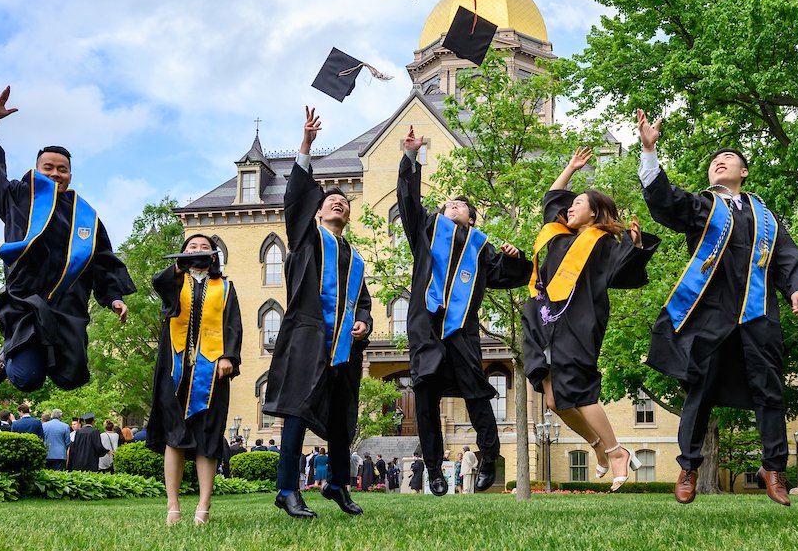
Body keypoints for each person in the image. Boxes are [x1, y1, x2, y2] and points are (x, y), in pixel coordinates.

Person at [636, 110, 798, 507]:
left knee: (770, 389)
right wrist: (650, 151)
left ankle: (774, 468)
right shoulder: (703, 205)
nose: (719, 160)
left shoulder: (765, 217)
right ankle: (688, 467)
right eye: (714, 160)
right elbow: (667, 204)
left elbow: (787, 256)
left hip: (758, 311)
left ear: (744, 172)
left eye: (728, 158)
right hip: (711, 311)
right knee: (700, 389)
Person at [0, 86, 136, 393]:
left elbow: (102, 261)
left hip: (68, 305)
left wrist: (114, 298)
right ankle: (8, 357)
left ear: (70, 175)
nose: (56, 173)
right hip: (26, 302)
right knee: (28, 379)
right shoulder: (19, 197)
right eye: (49, 168)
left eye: (63, 169)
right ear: (38, 170)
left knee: (71, 379)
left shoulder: (85, 216)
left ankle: (36, 356)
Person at [397, 127, 532, 493]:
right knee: (423, 395)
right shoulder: (426, 230)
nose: (451, 207)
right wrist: (411, 158)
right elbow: (408, 202)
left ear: (471, 218)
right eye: (448, 205)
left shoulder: (481, 247)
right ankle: (435, 469)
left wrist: (515, 258)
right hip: (426, 327)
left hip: (462, 331)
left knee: (476, 392)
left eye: (459, 206)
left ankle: (489, 457)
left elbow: (507, 275)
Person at [522, 147, 659, 493]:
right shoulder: (557, 235)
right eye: (571, 204)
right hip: (542, 322)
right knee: (553, 400)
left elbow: (626, 268)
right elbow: (552, 198)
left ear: (595, 213)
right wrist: (569, 167)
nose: (570, 207)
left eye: (579, 203)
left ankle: (616, 451)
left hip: (579, 323)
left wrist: (637, 245)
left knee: (579, 391)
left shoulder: (602, 244)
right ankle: (598, 446)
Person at [264, 107, 372, 520]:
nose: (339, 204)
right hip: (308, 338)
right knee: (296, 412)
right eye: (331, 201)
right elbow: (295, 199)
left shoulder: (355, 257)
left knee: (343, 418)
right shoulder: (308, 240)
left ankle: (337, 485)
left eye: (344, 202)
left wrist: (365, 321)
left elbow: (362, 300)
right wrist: (306, 144)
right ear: (319, 212)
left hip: (344, 347)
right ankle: (287, 489)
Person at [147, 234, 242, 526]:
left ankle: (203, 507)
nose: (198, 250)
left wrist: (229, 356)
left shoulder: (225, 287)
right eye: (191, 247)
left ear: (214, 255)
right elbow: (158, 283)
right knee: (174, 436)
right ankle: (173, 506)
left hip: (211, 372)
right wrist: (179, 268)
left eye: (203, 247)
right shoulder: (174, 282)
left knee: (208, 437)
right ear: (181, 255)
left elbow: (233, 324)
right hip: (175, 370)